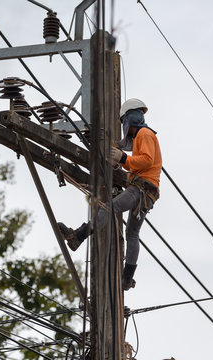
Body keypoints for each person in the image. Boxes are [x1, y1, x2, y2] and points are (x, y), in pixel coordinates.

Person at [58, 98, 162, 290]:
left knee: (109, 207)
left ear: (130, 119)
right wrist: (122, 161)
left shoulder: (145, 134)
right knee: (132, 233)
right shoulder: (143, 135)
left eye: (124, 122)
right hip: (146, 191)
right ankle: (126, 278)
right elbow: (138, 163)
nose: (124, 126)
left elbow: (147, 161)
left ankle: (78, 236)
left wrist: (122, 158)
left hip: (141, 189)